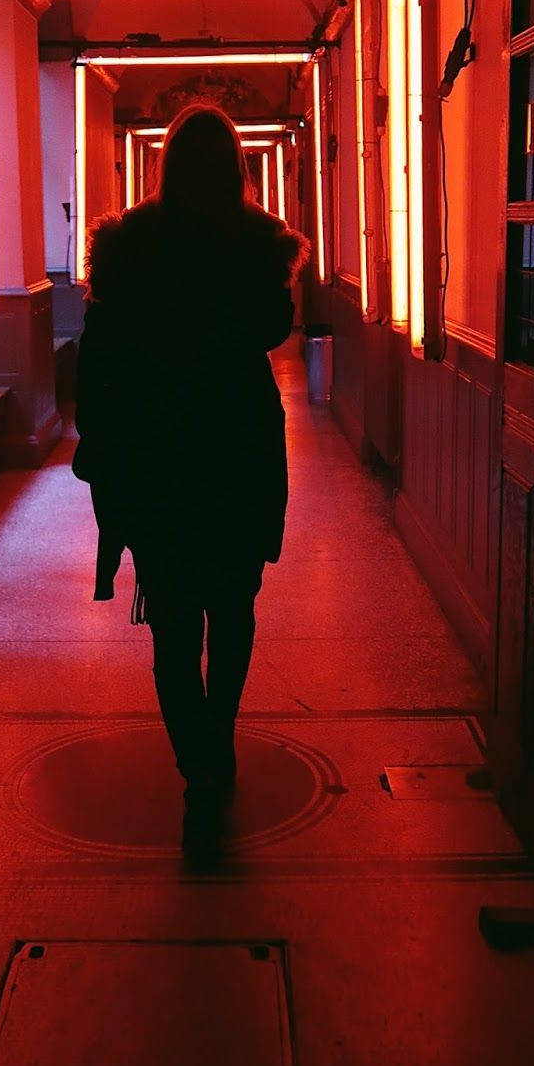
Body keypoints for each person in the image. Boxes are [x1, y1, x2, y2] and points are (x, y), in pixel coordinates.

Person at [72, 102, 309, 863]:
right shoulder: (258, 247)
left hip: (160, 459)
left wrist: (104, 458)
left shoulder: (129, 248)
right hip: (238, 452)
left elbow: (100, 360)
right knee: (233, 609)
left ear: (165, 165)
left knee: (173, 624)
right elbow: (276, 326)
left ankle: (197, 767)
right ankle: (219, 741)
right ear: (238, 165)